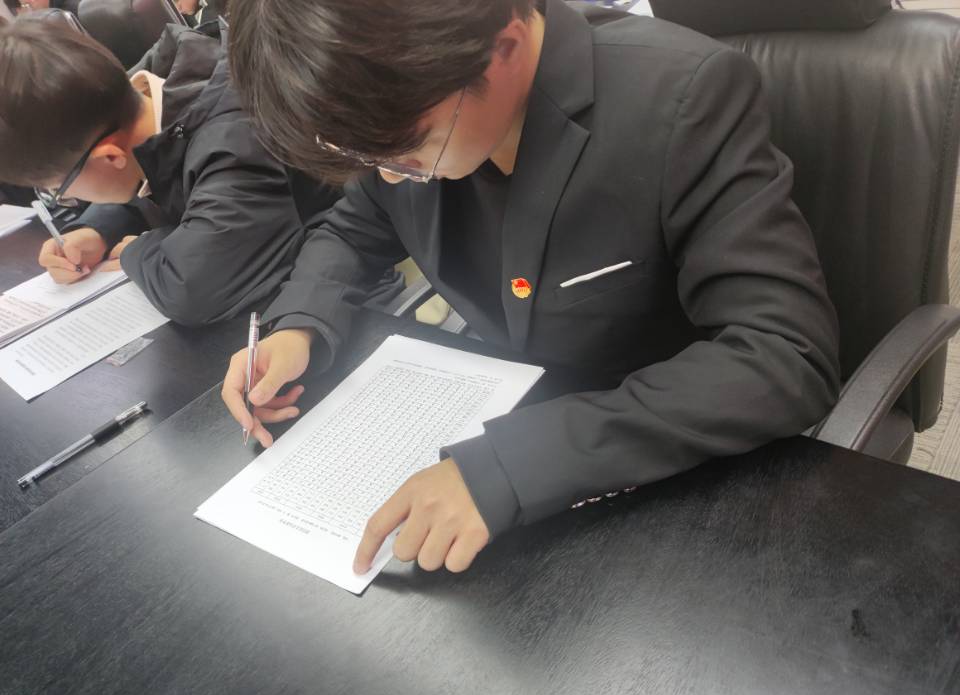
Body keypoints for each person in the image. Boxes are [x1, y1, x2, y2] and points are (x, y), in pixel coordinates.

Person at [221, 0, 842, 574]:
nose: (390, 177)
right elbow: (355, 227)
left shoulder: (684, 99)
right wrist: (300, 323)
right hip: (501, 420)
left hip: (663, 479)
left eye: (407, 152)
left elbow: (784, 354)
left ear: (506, 48)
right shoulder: (403, 104)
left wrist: (513, 465)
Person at [0, 18, 346, 325]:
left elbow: (192, 289)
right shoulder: (144, 93)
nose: (66, 197)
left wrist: (139, 249)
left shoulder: (233, 143)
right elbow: (149, 169)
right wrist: (97, 229)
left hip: (336, 294)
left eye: (59, 188)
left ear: (109, 156)